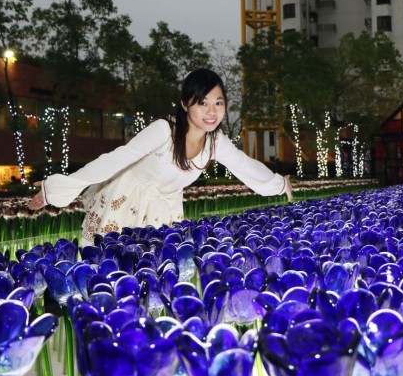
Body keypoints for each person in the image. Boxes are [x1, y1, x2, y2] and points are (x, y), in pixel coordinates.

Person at [29, 68, 293, 245]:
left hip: (163, 210)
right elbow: (117, 159)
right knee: (108, 272)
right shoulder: (164, 130)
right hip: (126, 202)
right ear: (184, 104)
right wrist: (60, 187)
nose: (212, 111)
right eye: (202, 102)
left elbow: (244, 165)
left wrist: (279, 183)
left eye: (219, 102)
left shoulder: (216, 142)